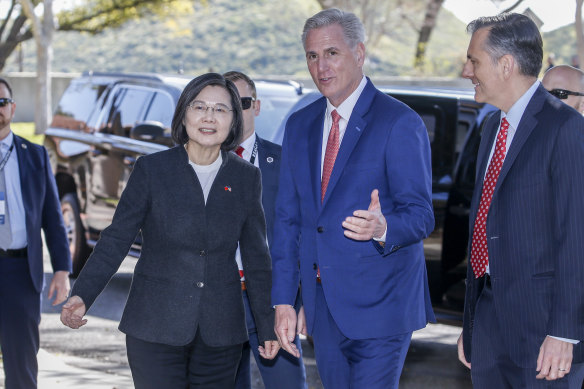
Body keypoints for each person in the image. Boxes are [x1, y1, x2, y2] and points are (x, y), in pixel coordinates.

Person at [60, 73, 279, 388]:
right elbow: (116, 239)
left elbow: (257, 258)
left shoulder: (246, 178)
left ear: (233, 121)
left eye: (220, 109)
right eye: (199, 106)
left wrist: (266, 324)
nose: (208, 116)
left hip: (220, 332)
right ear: (184, 113)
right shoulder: (152, 170)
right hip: (154, 326)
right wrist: (82, 294)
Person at [271, 8, 435, 389]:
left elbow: (422, 215)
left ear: (359, 53)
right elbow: (288, 221)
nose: (320, 66)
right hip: (323, 305)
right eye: (312, 56)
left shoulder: (399, 121)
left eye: (331, 53)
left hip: (384, 306)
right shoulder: (301, 124)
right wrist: (283, 299)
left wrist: (384, 226)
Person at [457, 13, 584, 388]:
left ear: (506, 64)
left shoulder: (565, 128)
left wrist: (564, 332)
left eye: (474, 60)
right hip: (490, 319)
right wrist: (472, 323)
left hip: (544, 331)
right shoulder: (493, 126)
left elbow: (575, 238)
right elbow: (484, 225)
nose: (467, 71)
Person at [223, 71, 308, 389]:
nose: (233, 112)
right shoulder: (199, 164)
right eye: (224, 104)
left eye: (241, 103)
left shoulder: (284, 162)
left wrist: (299, 303)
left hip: (274, 302)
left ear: (256, 106)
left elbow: (300, 235)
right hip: (218, 302)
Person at [0, 77, 72, 389]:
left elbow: (52, 218)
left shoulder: (35, 155)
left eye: (1, 103)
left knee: (22, 363)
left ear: (13, 108)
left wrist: (62, 269)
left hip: (20, 271)